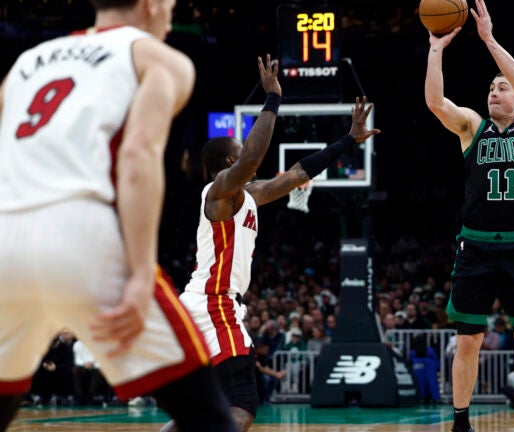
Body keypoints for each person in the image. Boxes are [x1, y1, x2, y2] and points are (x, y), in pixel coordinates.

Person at [0, 1, 237, 430]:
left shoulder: (24, 65)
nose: (171, 14)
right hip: (81, 234)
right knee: (209, 419)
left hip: (5, 242)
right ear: (150, 4)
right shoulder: (156, 58)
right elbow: (137, 154)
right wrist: (142, 272)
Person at [169, 84, 379, 431]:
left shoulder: (248, 195)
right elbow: (252, 157)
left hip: (208, 304)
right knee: (242, 406)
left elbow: (298, 173)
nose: (251, 159)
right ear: (227, 163)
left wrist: (347, 141)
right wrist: (273, 99)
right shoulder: (220, 192)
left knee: (203, 411)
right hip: (213, 306)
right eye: (241, 152)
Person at [424, 0, 514, 430]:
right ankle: (461, 421)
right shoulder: (471, 128)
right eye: (490, 88)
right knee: (467, 340)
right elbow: (435, 101)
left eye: (501, 87)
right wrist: (435, 49)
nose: (493, 91)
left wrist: (489, 40)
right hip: (474, 247)